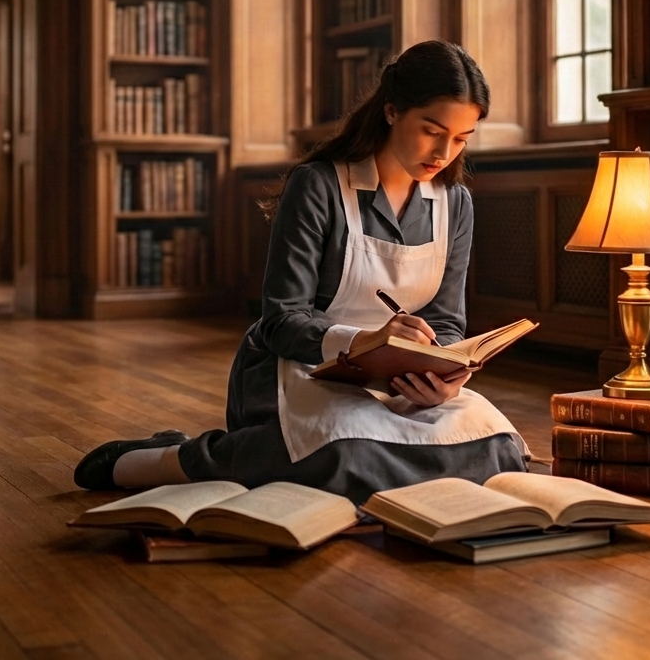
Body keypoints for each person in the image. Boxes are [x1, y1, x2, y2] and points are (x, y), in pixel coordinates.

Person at [75, 41, 529, 503]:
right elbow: (280, 320)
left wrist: (442, 374)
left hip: (396, 382)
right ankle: (170, 460)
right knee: (343, 458)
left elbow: (447, 320)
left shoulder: (455, 204)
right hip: (300, 367)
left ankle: (262, 457)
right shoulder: (318, 186)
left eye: (461, 138)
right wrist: (362, 343)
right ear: (392, 111)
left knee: (497, 451)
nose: (444, 152)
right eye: (432, 131)